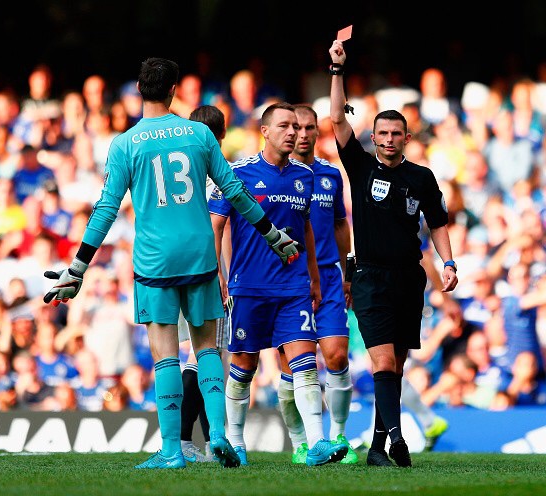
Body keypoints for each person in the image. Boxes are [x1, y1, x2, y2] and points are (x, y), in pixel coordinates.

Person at [41, 58, 303, 470]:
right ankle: (218, 435)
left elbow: (107, 208)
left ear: (139, 92)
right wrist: (273, 235)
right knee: (208, 351)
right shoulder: (199, 134)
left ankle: (171, 450)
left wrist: (78, 268)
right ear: (174, 89)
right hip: (200, 255)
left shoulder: (126, 143)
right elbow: (234, 189)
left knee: (166, 357)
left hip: (155, 261)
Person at [328, 40, 458, 467]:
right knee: (382, 359)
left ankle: (377, 449)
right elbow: (336, 119)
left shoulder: (421, 177)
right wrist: (336, 70)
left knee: (396, 367)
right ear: (373, 137)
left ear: (406, 137)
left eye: (394, 133)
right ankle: (399, 440)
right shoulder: (360, 166)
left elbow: (437, 223)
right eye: (381, 133)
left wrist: (449, 262)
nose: (387, 139)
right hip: (369, 277)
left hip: (408, 278)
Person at [209, 102, 348, 467]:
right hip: (249, 287)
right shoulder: (237, 173)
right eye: (284, 126)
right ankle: (237, 443)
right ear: (265, 131)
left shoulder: (305, 176)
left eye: (295, 126)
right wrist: (219, 275)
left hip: (293, 288)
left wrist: (314, 278)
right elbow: (216, 226)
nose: (292, 132)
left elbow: (305, 229)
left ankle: (317, 443)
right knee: (243, 364)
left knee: (305, 362)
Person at [276, 104, 357, 464]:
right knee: (291, 370)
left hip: (327, 276)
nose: (304, 134)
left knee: (337, 355)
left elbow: (341, 225)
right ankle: (300, 443)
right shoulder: (275, 174)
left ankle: (340, 436)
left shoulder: (330, 176)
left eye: (310, 128)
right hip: (287, 281)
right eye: (298, 127)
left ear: (317, 133)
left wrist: (348, 271)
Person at [177, 104, 230, 464]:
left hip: (175, 270)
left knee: (193, 358)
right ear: (221, 136)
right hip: (211, 273)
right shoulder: (223, 176)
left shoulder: (184, 172)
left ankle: (198, 440)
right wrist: (223, 275)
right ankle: (202, 441)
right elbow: (220, 230)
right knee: (210, 358)